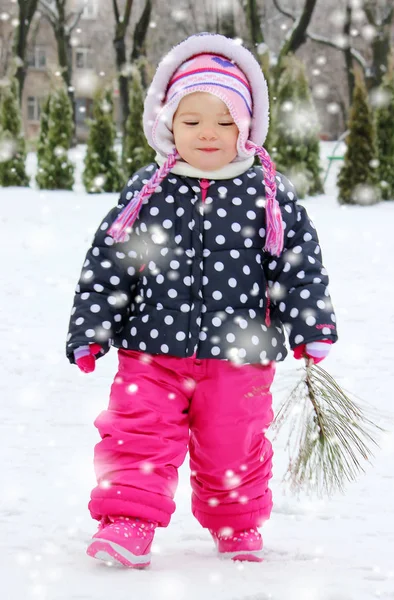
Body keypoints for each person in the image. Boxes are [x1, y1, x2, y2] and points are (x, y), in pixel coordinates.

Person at [66, 32, 338, 568]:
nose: (208, 134)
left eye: (224, 121)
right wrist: (91, 328)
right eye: (191, 122)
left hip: (241, 353)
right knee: (137, 432)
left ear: (247, 127)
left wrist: (310, 325)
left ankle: (236, 521)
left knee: (232, 442)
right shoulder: (147, 190)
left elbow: (298, 264)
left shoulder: (267, 193)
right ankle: (127, 520)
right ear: (169, 125)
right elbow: (110, 264)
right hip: (152, 349)